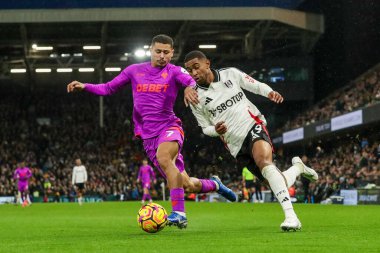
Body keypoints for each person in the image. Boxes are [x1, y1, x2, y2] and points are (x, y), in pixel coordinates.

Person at [67, 34, 236, 229]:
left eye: (166, 52)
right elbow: (108, 88)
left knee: (164, 157)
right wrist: (84, 86)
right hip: (148, 136)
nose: (162, 56)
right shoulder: (134, 71)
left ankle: (179, 213)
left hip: (170, 127)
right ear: (150, 50)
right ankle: (215, 185)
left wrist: (190, 88)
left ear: (172, 53)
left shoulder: (174, 71)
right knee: (186, 184)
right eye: (158, 51)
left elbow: (190, 80)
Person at [184, 50, 318, 231]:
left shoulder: (230, 73)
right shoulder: (195, 98)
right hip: (235, 145)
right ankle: (298, 168)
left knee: (264, 161)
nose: (193, 73)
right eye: (189, 70)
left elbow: (254, 85)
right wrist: (215, 130)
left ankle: (291, 217)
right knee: (278, 181)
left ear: (207, 63)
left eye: (196, 67)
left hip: (253, 125)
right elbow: (205, 128)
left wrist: (270, 92)